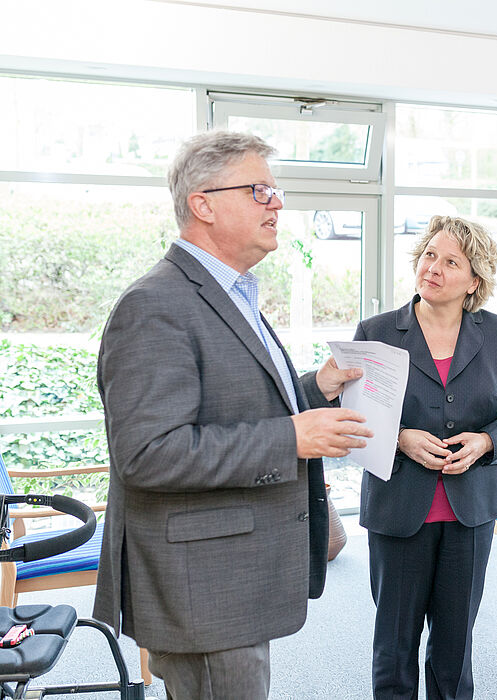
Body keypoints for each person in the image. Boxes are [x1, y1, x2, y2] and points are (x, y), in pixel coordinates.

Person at [95, 130, 373, 700]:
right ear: (204, 204)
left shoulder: (230, 292)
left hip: (229, 575)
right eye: (260, 191)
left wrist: (313, 390)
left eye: (275, 192)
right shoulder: (154, 305)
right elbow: (148, 454)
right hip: (200, 589)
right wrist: (290, 437)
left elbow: (238, 406)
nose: (277, 205)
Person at [354, 216, 497, 699]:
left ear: (474, 281)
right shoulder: (376, 332)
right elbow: (353, 414)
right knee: (394, 647)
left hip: (470, 512)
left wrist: (486, 442)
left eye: (450, 261)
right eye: (429, 255)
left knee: (454, 650)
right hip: (398, 507)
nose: (432, 267)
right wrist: (401, 438)